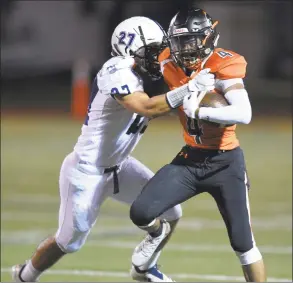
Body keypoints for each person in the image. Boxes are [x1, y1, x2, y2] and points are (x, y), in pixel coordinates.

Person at [12, 16, 215, 282]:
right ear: (130, 51)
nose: (159, 57)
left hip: (120, 165)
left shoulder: (146, 73)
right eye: (153, 52)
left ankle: (144, 268)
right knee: (69, 241)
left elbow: (160, 106)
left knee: (171, 212)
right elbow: (146, 107)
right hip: (86, 171)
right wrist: (188, 89)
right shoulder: (116, 70)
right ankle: (24, 276)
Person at [130, 8, 267, 282]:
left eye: (191, 40)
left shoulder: (223, 64)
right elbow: (140, 58)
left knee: (243, 243)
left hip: (226, 162)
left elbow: (244, 113)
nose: (184, 49)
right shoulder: (169, 60)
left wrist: (199, 112)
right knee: (141, 212)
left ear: (207, 38)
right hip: (190, 160)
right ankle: (158, 240)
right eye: (179, 42)